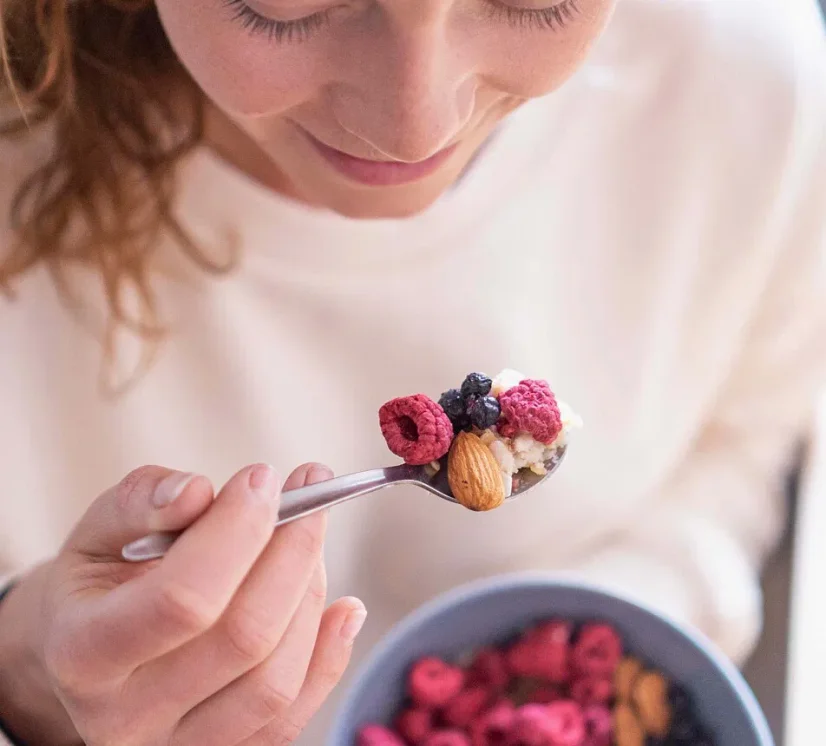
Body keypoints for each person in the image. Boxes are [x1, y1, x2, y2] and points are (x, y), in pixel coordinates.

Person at [0, 0, 824, 743]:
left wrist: (581, 658)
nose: (414, 126)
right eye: (284, 7)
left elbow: (742, 437)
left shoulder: (750, 86)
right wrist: (24, 673)